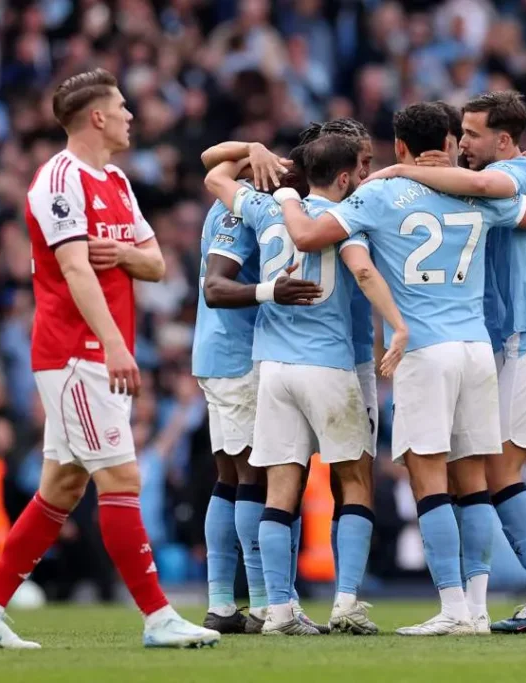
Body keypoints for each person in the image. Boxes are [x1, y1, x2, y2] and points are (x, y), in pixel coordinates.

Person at [274, 102, 526, 635]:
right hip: (477, 349)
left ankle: (454, 608)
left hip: (425, 351)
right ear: (453, 139)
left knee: (429, 480)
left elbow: (308, 237)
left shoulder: (381, 193)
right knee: (475, 481)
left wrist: (285, 199)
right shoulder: (474, 189)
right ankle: (477, 608)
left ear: (401, 146)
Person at [0, 69, 219, 649]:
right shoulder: (58, 180)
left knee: (63, 487)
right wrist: (118, 344)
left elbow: (155, 264)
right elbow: (76, 270)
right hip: (75, 353)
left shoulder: (119, 182)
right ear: (96, 117)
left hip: (95, 351)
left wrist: (123, 251)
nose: (131, 115)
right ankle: (158, 616)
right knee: (122, 476)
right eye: (122, 106)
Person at [361, 91, 526, 633]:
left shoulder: (514, 176)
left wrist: (401, 170)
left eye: (472, 133)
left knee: (496, 470)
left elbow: (498, 190)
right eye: (458, 133)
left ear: (504, 140)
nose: (463, 143)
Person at [205, 133, 408, 635]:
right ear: (343, 177)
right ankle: (346, 604)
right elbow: (361, 271)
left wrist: (253, 154)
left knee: (281, 488)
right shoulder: (343, 222)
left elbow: (214, 176)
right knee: (356, 480)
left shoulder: (264, 208)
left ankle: (277, 609)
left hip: (272, 368)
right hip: (329, 367)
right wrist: (398, 328)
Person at [192, 139, 322, 633]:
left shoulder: (228, 197)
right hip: (236, 354)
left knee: (229, 479)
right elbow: (216, 287)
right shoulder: (242, 212)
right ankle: (269, 605)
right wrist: (273, 291)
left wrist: (250, 148)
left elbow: (211, 161)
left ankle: (223, 605)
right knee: (257, 479)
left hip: (216, 352)